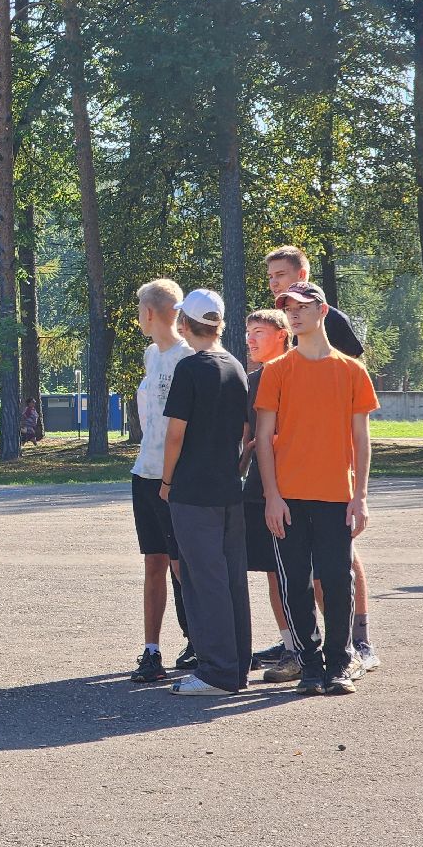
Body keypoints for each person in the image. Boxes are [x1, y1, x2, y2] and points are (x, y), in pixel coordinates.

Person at [254, 280, 378, 697]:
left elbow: (361, 439)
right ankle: (309, 664)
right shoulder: (276, 371)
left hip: (336, 495)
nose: (294, 314)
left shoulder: (352, 371)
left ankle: (339, 663)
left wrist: (360, 497)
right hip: (288, 497)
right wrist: (272, 495)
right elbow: (264, 438)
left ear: (322, 311)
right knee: (295, 583)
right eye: (288, 308)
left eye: (302, 307)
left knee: (338, 580)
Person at [159, 290, 251, 696]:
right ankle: (236, 667)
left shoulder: (190, 368)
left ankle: (216, 672)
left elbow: (174, 434)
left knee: (202, 581)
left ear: (184, 324)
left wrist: (166, 482)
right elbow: (245, 430)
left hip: (193, 489)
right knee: (231, 581)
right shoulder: (236, 366)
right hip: (228, 487)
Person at [128, 279, 194, 683]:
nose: (139, 317)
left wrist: (170, 478)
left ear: (150, 313)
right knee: (154, 561)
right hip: (145, 472)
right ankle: (152, 650)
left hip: (176, 477)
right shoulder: (152, 354)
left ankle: (198, 639)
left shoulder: (188, 357)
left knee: (181, 563)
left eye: (140, 310)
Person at [240, 310, 298, 680]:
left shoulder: (298, 373)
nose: (251, 340)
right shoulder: (252, 380)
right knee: (273, 573)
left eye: (259, 332)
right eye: (248, 332)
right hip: (258, 490)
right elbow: (247, 435)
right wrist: (242, 458)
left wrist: (272, 441)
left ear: (282, 334)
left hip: (296, 488)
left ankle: (332, 646)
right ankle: (291, 648)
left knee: (307, 574)